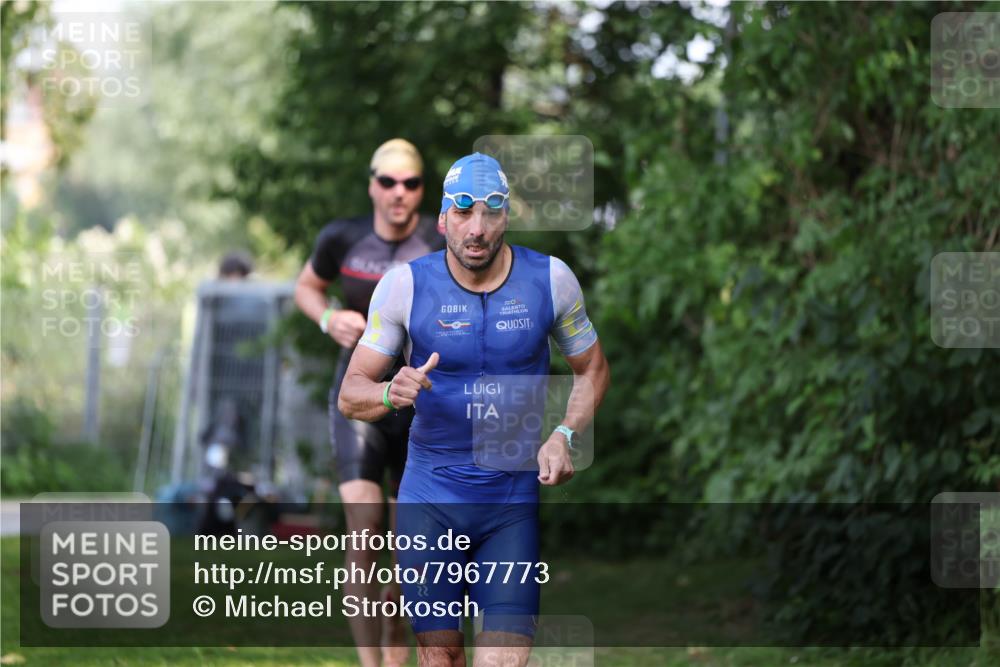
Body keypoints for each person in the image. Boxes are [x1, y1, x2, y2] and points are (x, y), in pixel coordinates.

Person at [338, 152, 611, 667]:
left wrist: (565, 434)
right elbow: (351, 392)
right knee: (440, 656)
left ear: (508, 216)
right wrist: (389, 392)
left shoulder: (550, 282)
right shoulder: (404, 286)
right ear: (443, 218)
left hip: (509, 503)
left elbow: (593, 369)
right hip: (430, 499)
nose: (477, 229)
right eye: (464, 213)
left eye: (491, 212)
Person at [294, 139, 444, 667]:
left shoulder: (439, 237)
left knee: (411, 547)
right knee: (365, 527)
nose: (399, 193)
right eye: (388, 182)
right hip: (359, 396)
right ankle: (368, 662)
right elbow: (307, 287)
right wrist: (327, 318)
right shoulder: (342, 237)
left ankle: (396, 640)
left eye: (410, 183)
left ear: (422, 191)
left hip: (421, 400)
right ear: (372, 186)